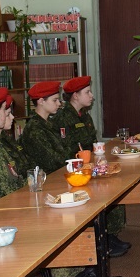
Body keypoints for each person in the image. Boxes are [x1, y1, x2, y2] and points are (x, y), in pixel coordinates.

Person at [53, 76, 131, 258]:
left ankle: (109, 235)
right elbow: (65, 150)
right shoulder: (62, 118)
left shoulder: (85, 115)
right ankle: (100, 241)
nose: (92, 96)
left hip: (91, 166)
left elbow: (92, 142)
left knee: (113, 189)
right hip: (75, 171)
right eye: (87, 92)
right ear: (75, 96)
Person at [20, 81, 72, 174]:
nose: (59, 104)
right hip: (47, 177)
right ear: (41, 101)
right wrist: (69, 157)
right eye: (54, 100)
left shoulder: (50, 123)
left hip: (59, 173)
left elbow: (66, 146)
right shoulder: (34, 129)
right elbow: (52, 161)